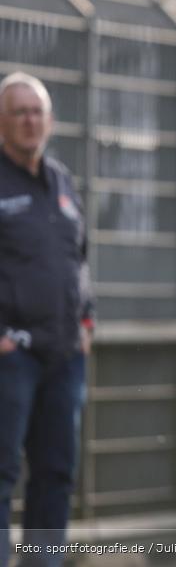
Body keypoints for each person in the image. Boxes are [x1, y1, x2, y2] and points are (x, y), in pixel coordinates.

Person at [0, 72, 94, 567]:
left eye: (37, 111)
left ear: (51, 120)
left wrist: (87, 325)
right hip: (12, 356)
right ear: (1, 122)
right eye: (19, 111)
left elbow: (78, 260)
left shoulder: (61, 180)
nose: (30, 120)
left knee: (56, 474)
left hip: (64, 358)